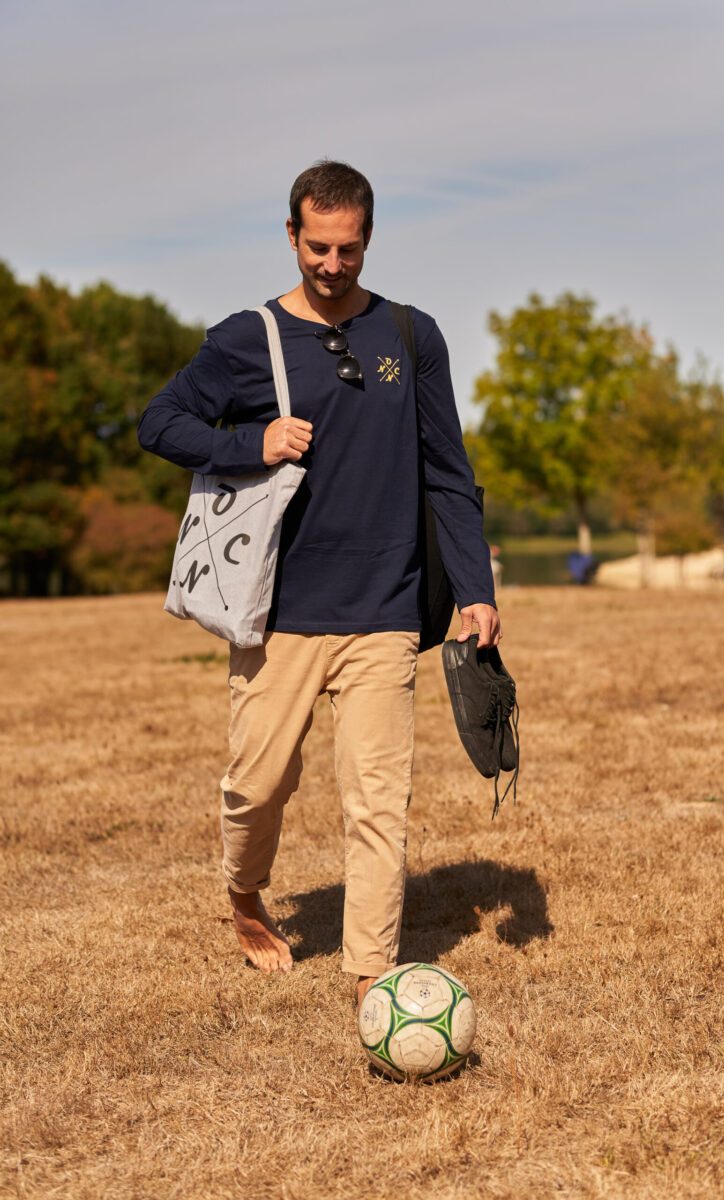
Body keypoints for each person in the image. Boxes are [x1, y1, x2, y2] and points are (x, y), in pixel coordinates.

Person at [138, 160, 501, 1011]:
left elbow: (449, 472)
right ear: (292, 235)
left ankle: (373, 975)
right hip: (279, 612)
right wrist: (249, 443)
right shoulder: (246, 338)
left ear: (367, 237)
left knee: (379, 797)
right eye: (316, 247)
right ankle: (242, 895)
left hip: (385, 607)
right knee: (257, 783)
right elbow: (161, 420)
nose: (332, 265)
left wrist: (475, 586)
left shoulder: (412, 337)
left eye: (347, 248)